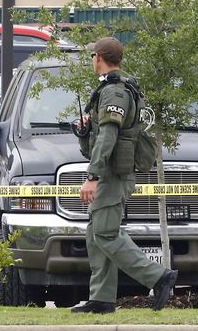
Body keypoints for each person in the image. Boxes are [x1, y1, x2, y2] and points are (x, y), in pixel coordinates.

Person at [71, 37, 178, 314]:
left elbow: (108, 135)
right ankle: (102, 299)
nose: (91, 59)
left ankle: (158, 276)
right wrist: (86, 129)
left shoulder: (115, 91)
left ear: (99, 57)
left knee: (105, 233)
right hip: (111, 172)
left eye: (92, 55)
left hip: (111, 174)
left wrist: (91, 176)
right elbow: (102, 132)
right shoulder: (112, 88)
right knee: (96, 234)